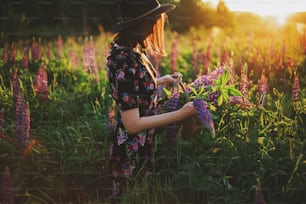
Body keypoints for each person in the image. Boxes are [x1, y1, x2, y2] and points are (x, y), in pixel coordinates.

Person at [106, 0, 198, 200]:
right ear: (140, 24)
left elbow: (132, 88)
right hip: (131, 151)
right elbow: (132, 124)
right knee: (134, 196)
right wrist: (180, 114)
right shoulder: (123, 60)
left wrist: (160, 81)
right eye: (152, 21)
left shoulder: (133, 50)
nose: (155, 27)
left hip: (144, 143)